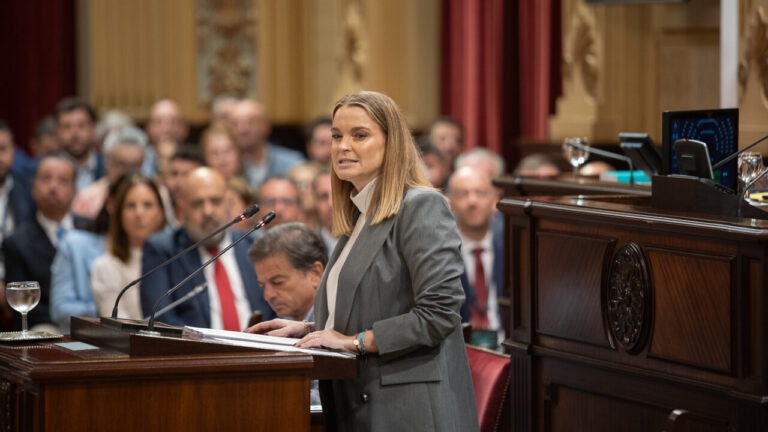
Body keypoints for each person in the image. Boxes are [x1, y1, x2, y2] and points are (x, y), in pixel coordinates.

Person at [247, 91, 478, 431]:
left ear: (392, 143)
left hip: (407, 410)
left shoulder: (421, 206)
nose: (342, 146)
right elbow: (375, 306)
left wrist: (352, 342)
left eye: (360, 135)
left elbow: (438, 314)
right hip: (357, 402)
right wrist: (314, 330)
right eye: (336, 136)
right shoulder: (361, 216)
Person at [139, 167, 274, 328]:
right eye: (197, 204)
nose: (208, 211)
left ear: (228, 204)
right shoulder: (163, 250)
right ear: (182, 210)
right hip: (197, 351)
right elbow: (160, 318)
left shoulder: (254, 246)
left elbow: (276, 308)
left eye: (215, 201)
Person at [248, 222, 326, 407]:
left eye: (278, 282)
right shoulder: (284, 325)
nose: (268, 295)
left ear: (315, 274)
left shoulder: (335, 322)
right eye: (263, 286)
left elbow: (329, 398)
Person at [2, 154, 80, 331]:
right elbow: (22, 305)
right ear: (33, 187)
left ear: (74, 189)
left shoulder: (91, 231)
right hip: (47, 326)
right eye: (46, 179)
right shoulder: (17, 242)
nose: (53, 187)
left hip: (94, 323)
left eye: (63, 181)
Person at [91, 174, 167, 319]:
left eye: (147, 205)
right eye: (130, 206)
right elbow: (118, 328)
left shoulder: (175, 261)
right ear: (119, 214)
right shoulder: (105, 266)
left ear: (161, 212)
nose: (139, 213)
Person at [447, 166, 504, 349]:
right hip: (461, 350)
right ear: (451, 203)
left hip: (507, 347)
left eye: (480, 193)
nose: (472, 201)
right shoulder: (441, 249)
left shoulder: (512, 242)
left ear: (494, 199)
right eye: (463, 194)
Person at [71, 125, 147, 220]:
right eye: (121, 164)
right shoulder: (86, 199)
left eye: (134, 166)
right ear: (107, 161)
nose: (128, 172)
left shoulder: (157, 197)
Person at [230, 99, 304, 189]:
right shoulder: (228, 165)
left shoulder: (292, 163)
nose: (243, 129)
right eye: (236, 124)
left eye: (251, 122)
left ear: (266, 126)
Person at [54, 97, 105, 191]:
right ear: (57, 131)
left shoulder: (108, 167)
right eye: (67, 127)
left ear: (93, 128)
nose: (75, 133)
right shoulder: (42, 171)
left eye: (81, 126)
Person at [312, 168, 337, 256]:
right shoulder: (307, 247)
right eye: (323, 197)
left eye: (337, 194)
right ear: (315, 202)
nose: (331, 204)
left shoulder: (363, 241)